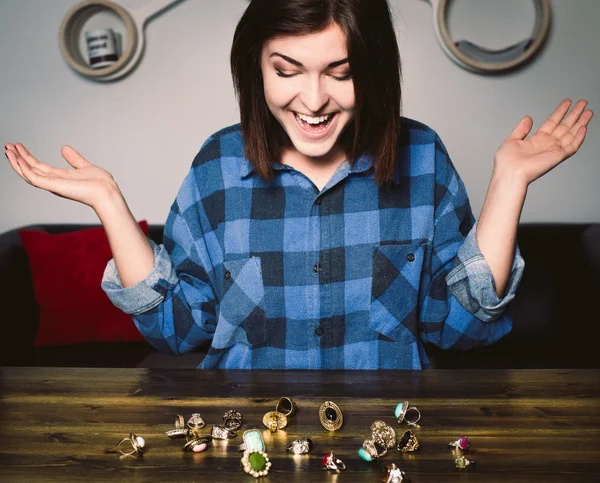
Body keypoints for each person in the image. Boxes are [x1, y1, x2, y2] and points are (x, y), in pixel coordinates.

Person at [5, 0, 593, 369]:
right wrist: (110, 202)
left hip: (388, 443)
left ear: (377, 72)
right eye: (287, 71)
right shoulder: (216, 164)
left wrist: (509, 183)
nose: (313, 101)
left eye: (342, 73)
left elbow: (461, 331)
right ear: (254, 67)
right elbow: (177, 331)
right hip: (247, 449)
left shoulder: (423, 157)